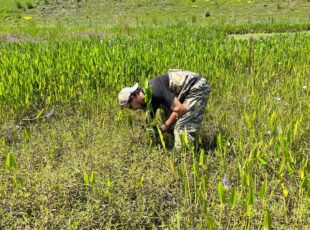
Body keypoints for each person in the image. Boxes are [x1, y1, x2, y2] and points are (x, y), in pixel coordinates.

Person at [118, 69, 211, 150]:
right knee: (168, 119)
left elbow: (180, 110)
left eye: (130, 107)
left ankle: (183, 156)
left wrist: (163, 128)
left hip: (197, 87)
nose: (133, 110)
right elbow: (149, 121)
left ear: (133, 97)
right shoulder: (148, 99)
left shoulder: (154, 90)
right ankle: (176, 143)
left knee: (181, 127)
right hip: (184, 92)